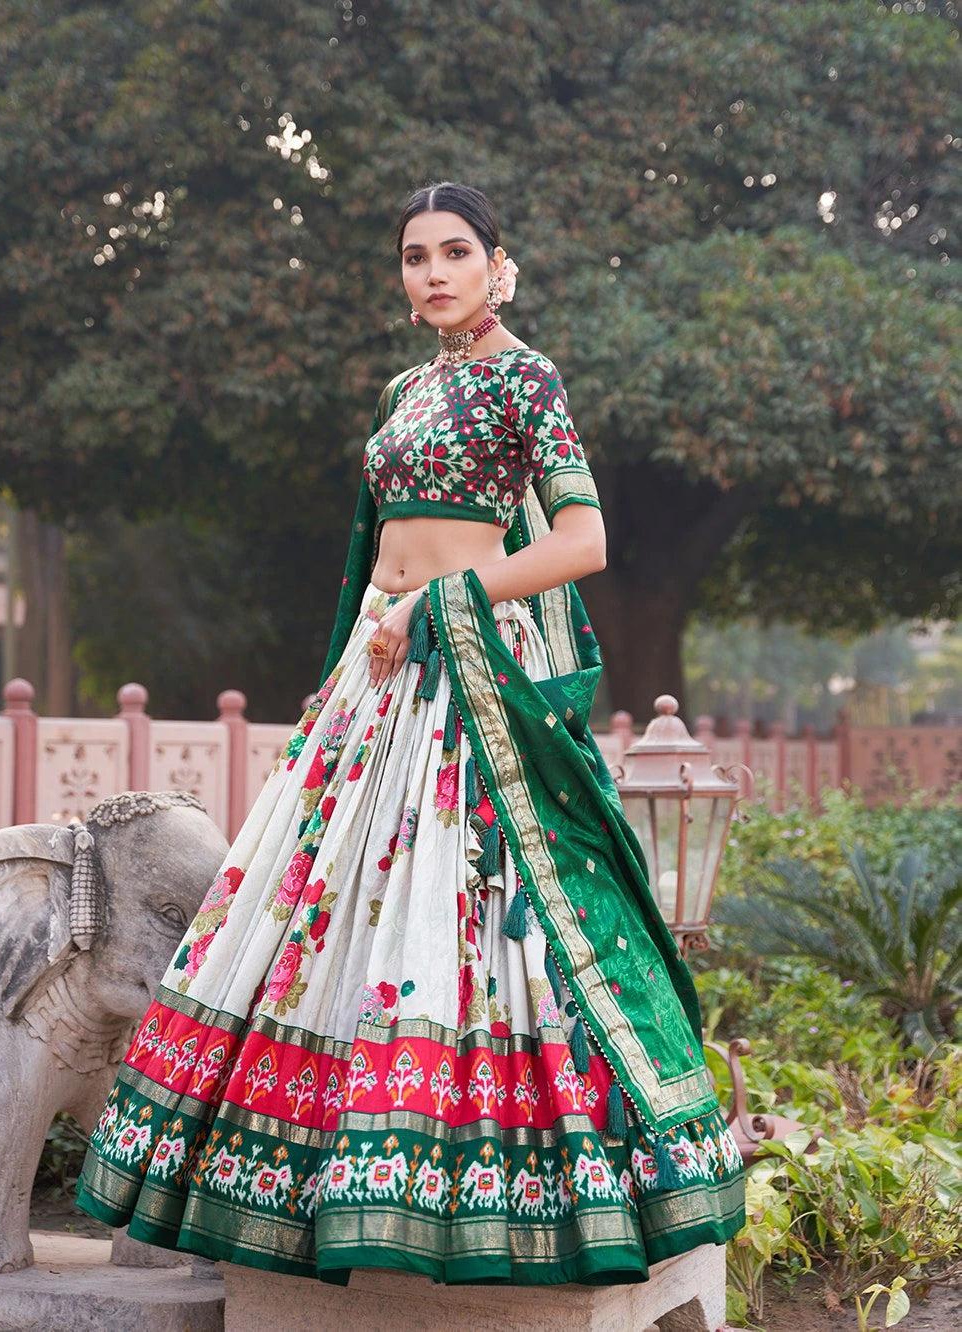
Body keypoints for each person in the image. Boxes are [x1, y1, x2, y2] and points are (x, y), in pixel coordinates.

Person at [75, 181, 745, 1285]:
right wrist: (372, 634)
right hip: (374, 678)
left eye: (453, 252)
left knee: (463, 912)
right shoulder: (407, 386)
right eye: (413, 256)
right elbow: (383, 536)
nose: (431, 272)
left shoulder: (525, 378)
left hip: (459, 669)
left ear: (498, 264)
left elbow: (581, 542)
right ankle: (323, 1180)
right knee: (321, 918)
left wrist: (441, 603)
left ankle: (478, 1190)